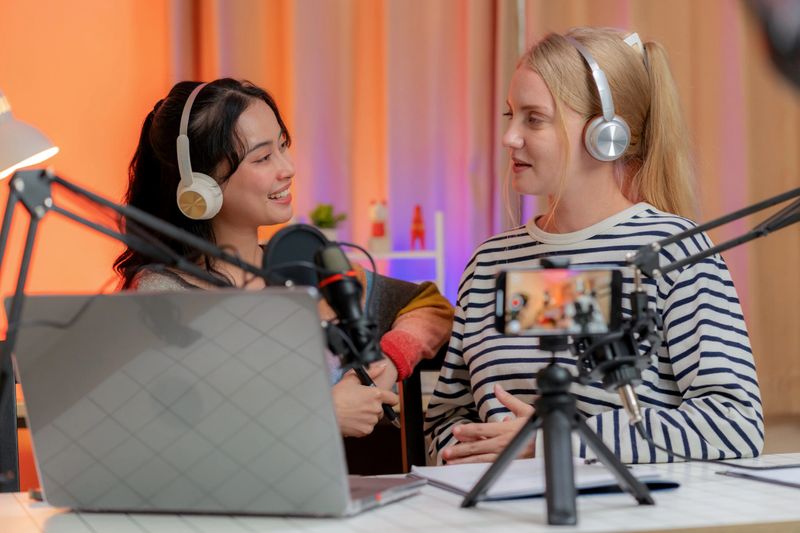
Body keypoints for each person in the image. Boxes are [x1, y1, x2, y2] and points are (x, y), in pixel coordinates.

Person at [425, 27, 763, 465]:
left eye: (534, 118)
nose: (509, 137)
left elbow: (735, 424)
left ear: (606, 134)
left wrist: (560, 441)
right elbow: (445, 420)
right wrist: (467, 446)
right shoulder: (489, 262)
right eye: (511, 115)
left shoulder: (675, 253)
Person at [113, 78, 453, 439]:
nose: (287, 167)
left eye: (282, 146)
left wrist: (390, 359)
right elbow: (170, 428)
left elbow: (430, 305)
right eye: (262, 157)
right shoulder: (162, 294)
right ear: (202, 185)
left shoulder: (304, 272)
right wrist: (319, 414)